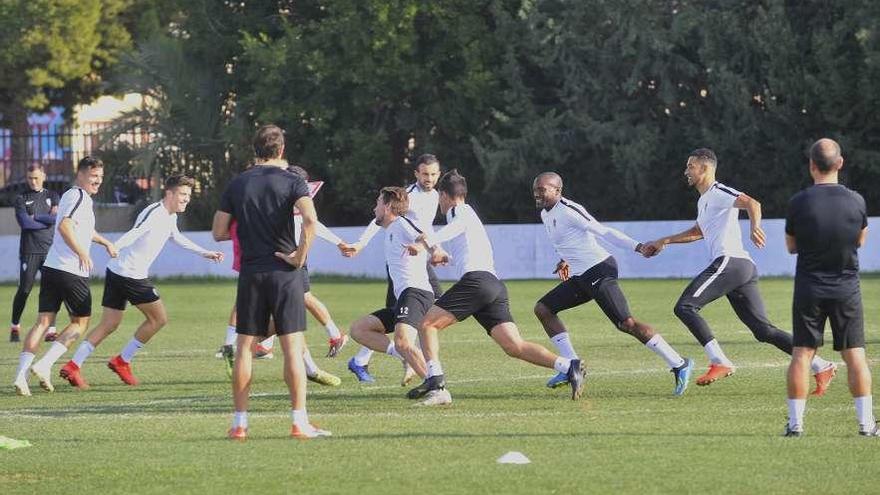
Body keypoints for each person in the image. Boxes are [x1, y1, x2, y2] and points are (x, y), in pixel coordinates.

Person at [644, 148, 836, 391]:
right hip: (741, 267)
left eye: (690, 166)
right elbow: (698, 232)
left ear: (705, 168)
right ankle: (821, 365)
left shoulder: (718, 191)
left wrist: (754, 226)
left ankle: (719, 360)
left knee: (685, 307)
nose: (686, 172)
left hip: (731, 262)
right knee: (763, 331)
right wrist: (664, 240)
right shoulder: (704, 200)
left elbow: (751, 202)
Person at [406, 170, 585, 405]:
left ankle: (436, 381)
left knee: (427, 324)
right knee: (514, 346)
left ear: (443, 195)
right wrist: (443, 256)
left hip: (477, 282)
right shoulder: (466, 214)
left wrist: (428, 241)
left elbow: (454, 228)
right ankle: (569, 365)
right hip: (492, 285)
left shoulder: (459, 211)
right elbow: (467, 250)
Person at [212, 124, 328, 441]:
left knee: (245, 348)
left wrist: (249, 226)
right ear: (281, 149)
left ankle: (239, 423)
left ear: (255, 149)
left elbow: (219, 232)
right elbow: (310, 221)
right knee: (292, 348)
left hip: (251, 272)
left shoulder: (237, 184)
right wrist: (300, 256)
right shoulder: (294, 181)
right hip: (284, 273)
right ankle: (298, 422)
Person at [531, 172, 694, 396]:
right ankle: (571, 366)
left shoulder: (569, 210)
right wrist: (565, 260)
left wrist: (638, 247)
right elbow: (570, 240)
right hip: (581, 276)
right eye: (536, 189)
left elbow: (603, 231)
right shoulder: (544, 214)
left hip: (599, 269)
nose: (537, 193)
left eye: (543, 189)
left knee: (626, 323)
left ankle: (679, 363)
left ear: (558, 191)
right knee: (544, 309)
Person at [56, 175, 223, 389]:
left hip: (117, 272)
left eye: (188, 196)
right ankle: (122, 361)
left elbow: (177, 237)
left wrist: (205, 253)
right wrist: (114, 246)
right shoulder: (156, 213)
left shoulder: (169, 216)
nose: (186, 199)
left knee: (109, 324)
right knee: (159, 319)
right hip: (131, 275)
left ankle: (73, 366)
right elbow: (136, 232)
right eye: (182, 194)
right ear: (169, 193)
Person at [782, 138, 877, 437]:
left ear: (811, 166)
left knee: (802, 354)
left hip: (809, 287)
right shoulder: (857, 201)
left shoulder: (799, 202)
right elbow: (860, 240)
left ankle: (795, 426)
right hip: (846, 288)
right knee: (855, 357)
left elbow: (791, 246)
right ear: (840, 163)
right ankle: (867, 425)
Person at [12, 157, 118, 396]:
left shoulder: (74, 196)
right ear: (80, 174)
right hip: (70, 271)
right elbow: (65, 226)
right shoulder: (78, 196)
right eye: (94, 176)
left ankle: (21, 376)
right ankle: (45, 364)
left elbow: (82, 229)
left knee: (43, 322)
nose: (98, 182)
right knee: (81, 322)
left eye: (100, 178)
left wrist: (104, 243)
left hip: (51, 268)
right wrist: (82, 253)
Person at [341, 154, 442, 383]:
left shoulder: (432, 197)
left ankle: (427, 373)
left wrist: (432, 249)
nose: (429, 178)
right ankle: (407, 359)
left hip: (415, 273)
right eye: (425, 174)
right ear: (416, 174)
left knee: (429, 314)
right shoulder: (408, 198)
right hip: (405, 270)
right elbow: (384, 222)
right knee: (407, 319)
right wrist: (360, 243)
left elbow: (422, 231)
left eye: (434, 174)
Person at [10, 163, 60, 342]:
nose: (33, 181)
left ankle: (51, 330)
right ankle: (15, 327)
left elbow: (55, 219)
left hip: (49, 251)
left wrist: (37, 217)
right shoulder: (21, 198)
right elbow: (25, 224)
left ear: (43, 176)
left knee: (51, 290)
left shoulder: (53, 196)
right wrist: (45, 221)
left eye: (36, 178)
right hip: (29, 251)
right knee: (24, 289)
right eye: (30, 178)